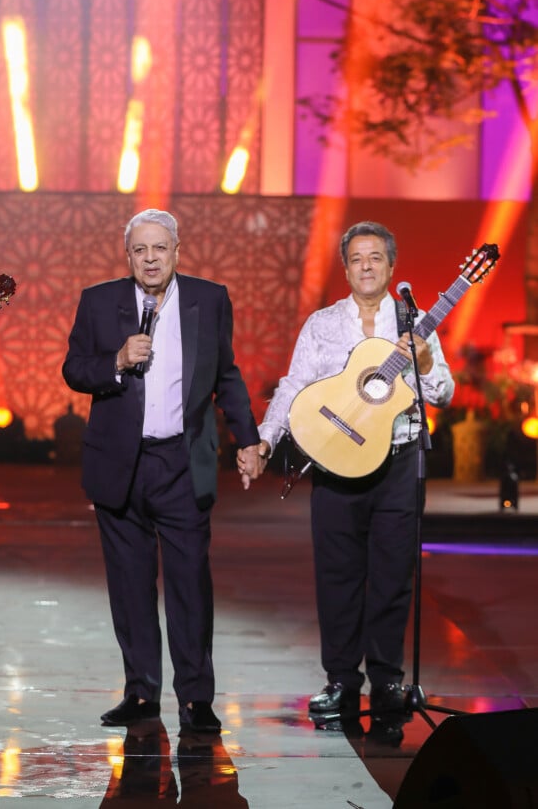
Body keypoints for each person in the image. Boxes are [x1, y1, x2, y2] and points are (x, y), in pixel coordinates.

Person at [238, 220, 454, 724]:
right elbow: (292, 387)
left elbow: (443, 391)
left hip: (399, 462)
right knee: (337, 577)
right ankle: (340, 680)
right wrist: (266, 439)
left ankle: (387, 681)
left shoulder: (414, 323)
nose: (366, 266)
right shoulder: (322, 324)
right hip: (336, 464)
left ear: (391, 266)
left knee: (393, 576)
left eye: (375, 257)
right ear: (346, 267)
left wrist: (423, 364)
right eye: (357, 258)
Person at [63, 208, 261, 734]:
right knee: (129, 587)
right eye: (140, 250)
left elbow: (227, 375)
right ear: (127, 255)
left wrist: (250, 439)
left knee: (190, 585)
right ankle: (141, 693)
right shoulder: (99, 301)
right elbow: (74, 369)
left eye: (159, 249)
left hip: (181, 461)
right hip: (119, 465)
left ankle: (196, 697)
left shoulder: (209, 298)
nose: (150, 259)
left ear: (177, 250)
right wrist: (117, 360)